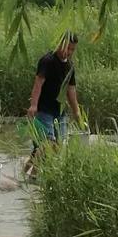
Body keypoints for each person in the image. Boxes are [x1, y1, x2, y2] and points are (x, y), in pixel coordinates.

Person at [24, 32, 81, 176]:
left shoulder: (70, 65)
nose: (68, 52)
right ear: (60, 43)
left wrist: (76, 111)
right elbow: (38, 83)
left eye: (72, 49)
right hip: (44, 109)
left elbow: (71, 90)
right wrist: (33, 105)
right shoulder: (47, 60)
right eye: (67, 48)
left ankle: (24, 173)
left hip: (59, 111)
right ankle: (34, 176)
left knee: (53, 145)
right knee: (49, 144)